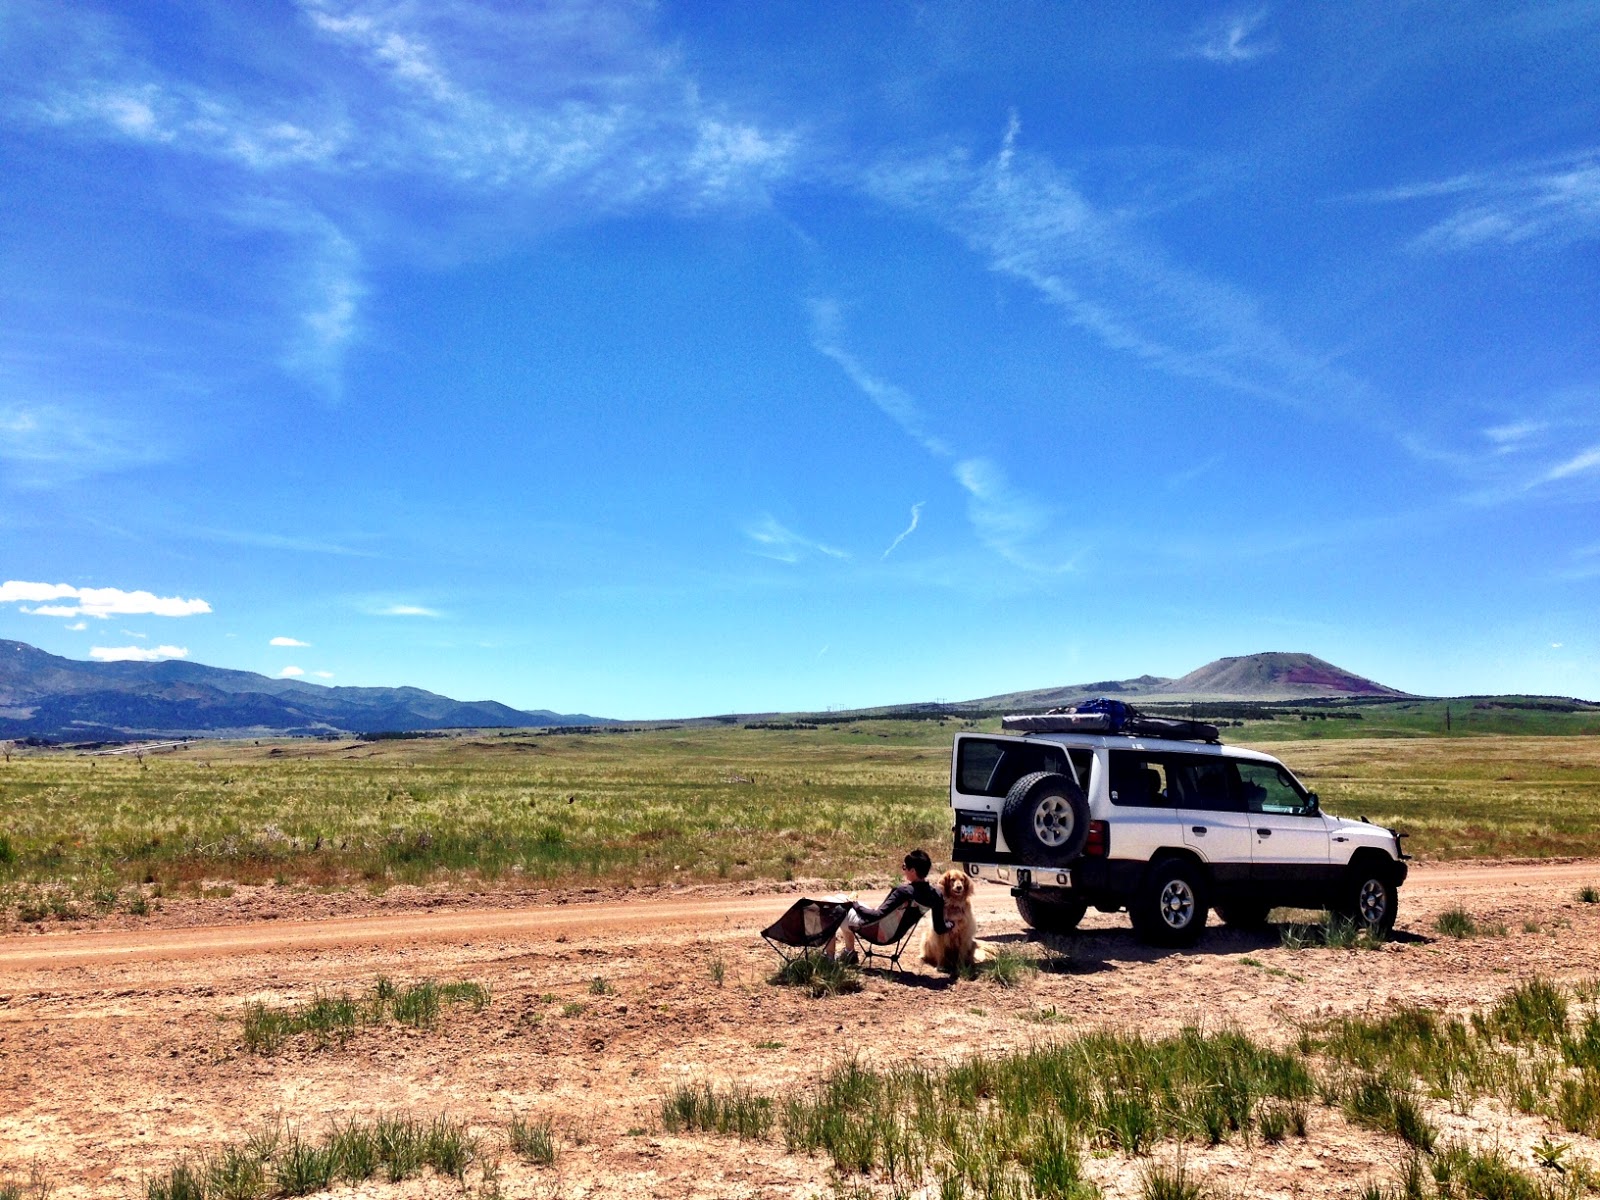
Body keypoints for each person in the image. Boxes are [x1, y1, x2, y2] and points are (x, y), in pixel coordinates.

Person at [827, 848, 952, 963]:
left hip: (874, 931)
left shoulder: (903, 892)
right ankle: (849, 953)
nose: (903, 870)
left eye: (904, 867)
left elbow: (877, 915)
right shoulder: (936, 895)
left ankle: (829, 958)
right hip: (894, 935)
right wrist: (952, 924)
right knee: (840, 897)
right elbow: (940, 928)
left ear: (913, 871)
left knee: (830, 904)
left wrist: (854, 904)